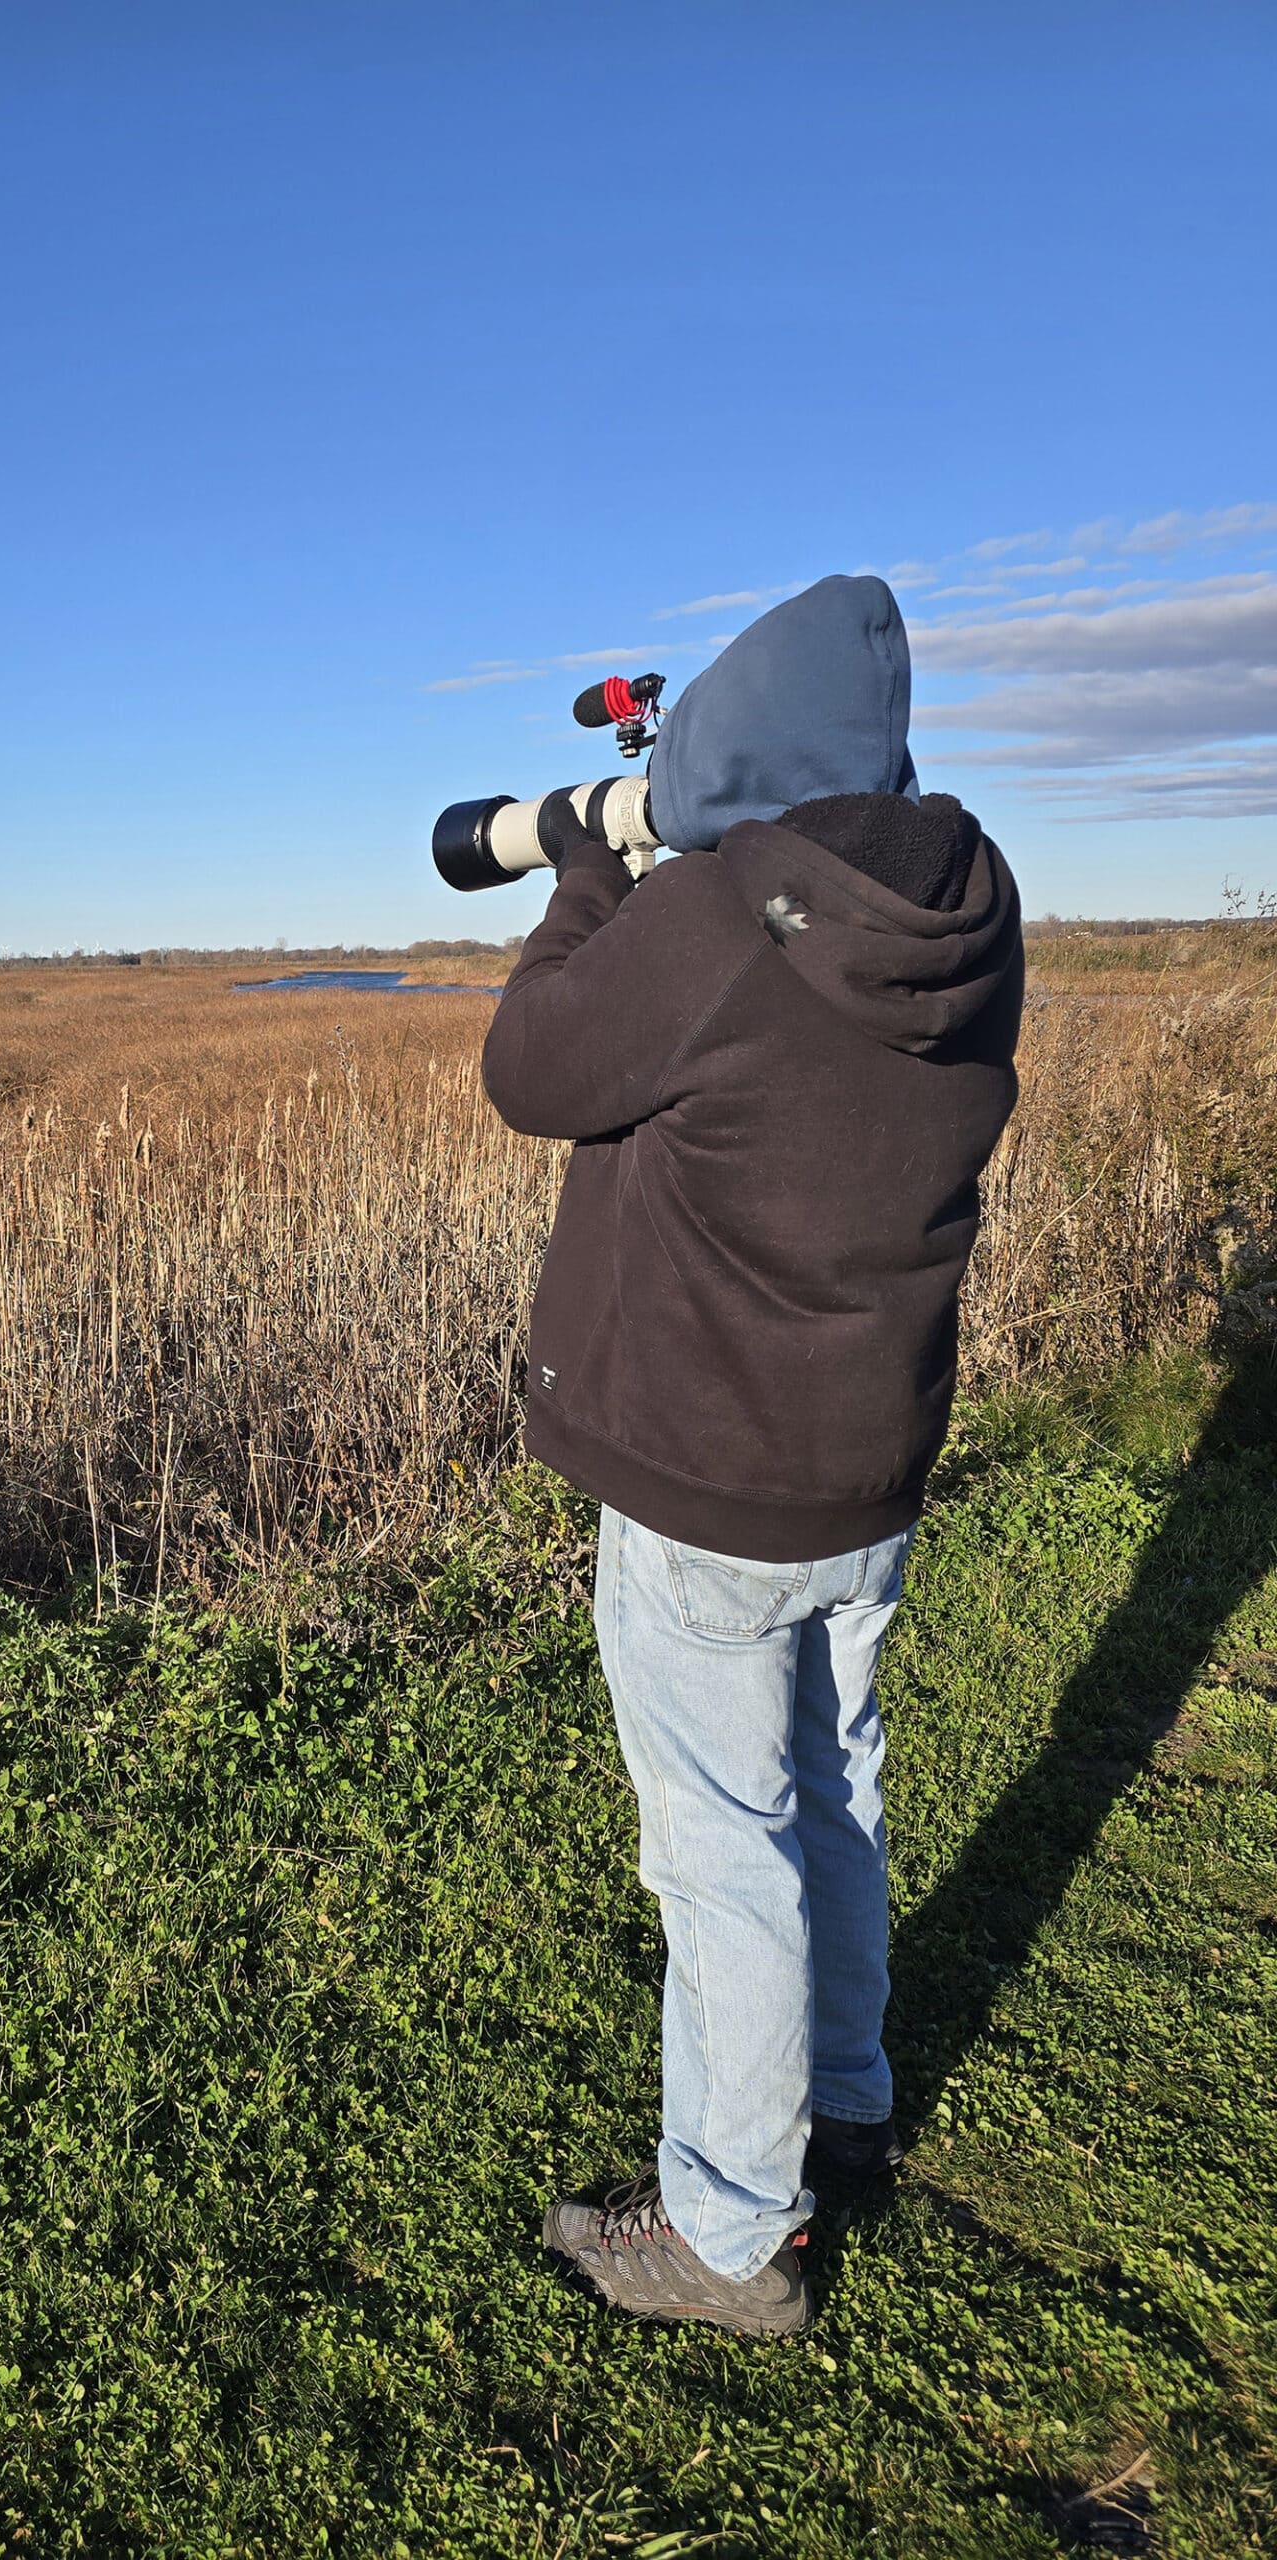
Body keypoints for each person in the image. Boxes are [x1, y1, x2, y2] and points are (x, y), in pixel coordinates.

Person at [481, 575, 1022, 2337]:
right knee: (836, 1789)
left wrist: (584, 868)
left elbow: (535, 1065)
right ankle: (846, 2102)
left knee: (722, 1853)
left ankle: (728, 2233)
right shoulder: (972, 908)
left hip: (708, 1471)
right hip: (869, 1459)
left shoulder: (717, 917)